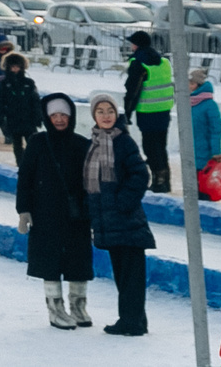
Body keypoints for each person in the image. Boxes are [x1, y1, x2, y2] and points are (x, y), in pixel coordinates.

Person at [15, 91, 96, 330]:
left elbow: (91, 180)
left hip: (77, 213)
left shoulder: (82, 144)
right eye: (54, 115)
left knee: (78, 259)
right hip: (46, 213)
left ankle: (78, 305)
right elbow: (25, 178)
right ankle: (55, 308)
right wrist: (24, 211)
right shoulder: (38, 142)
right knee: (49, 260)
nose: (59, 119)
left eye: (63, 115)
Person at [84, 91, 155, 337]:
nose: (106, 116)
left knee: (131, 276)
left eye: (110, 111)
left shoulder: (123, 141)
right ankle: (134, 320)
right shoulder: (94, 143)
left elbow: (140, 175)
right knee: (123, 276)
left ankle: (131, 322)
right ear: (94, 115)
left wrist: (122, 202)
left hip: (127, 221)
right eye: (101, 111)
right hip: (109, 222)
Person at [122, 29, 175, 193]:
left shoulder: (139, 63)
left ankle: (159, 182)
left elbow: (133, 90)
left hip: (147, 111)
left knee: (150, 147)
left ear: (136, 45)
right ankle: (165, 180)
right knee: (160, 146)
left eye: (132, 43)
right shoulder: (164, 62)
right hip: (164, 110)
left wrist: (127, 113)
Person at [0, 51, 43, 164]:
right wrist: (1, 119)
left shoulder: (29, 83)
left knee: (33, 143)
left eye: (17, 66)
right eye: (13, 67)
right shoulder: (4, 84)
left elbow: (35, 101)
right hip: (13, 119)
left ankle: (34, 164)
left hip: (28, 119)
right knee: (17, 145)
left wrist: (38, 117)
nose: (15, 69)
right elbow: (0, 102)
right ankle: (20, 165)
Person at [186, 66, 221, 197]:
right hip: (191, 151)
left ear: (197, 85)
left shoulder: (209, 105)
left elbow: (216, 129)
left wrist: (215, 151)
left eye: (190, 83)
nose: (188, 86)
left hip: (205, 154)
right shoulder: (189, 103)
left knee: (202, 186)